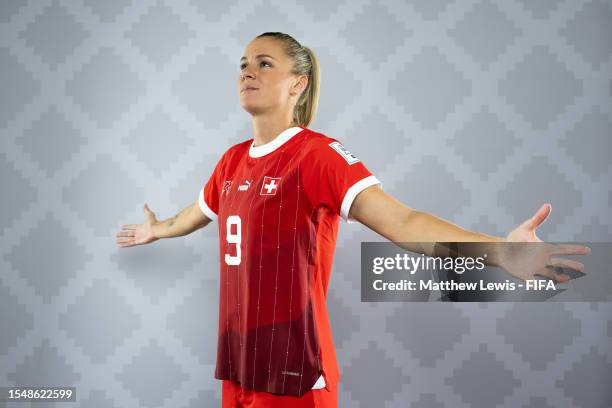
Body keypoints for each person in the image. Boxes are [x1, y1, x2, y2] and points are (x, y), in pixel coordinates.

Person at [115, 32, 590, 408]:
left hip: (294, 371)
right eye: (243, 64)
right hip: (238, 364)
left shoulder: (317, 155)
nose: (247, 72)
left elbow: (403, 221)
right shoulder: (231, 161)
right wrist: (157, 229)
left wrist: (500, 251)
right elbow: (196, 215)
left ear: (297, 83)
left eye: (264, 63)